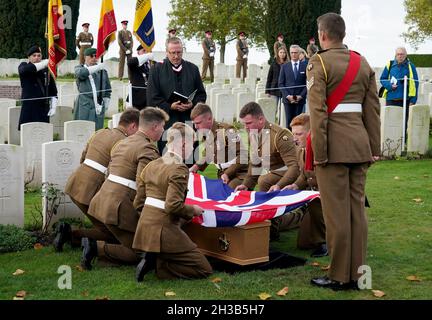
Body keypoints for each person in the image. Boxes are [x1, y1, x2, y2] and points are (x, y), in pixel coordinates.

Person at [307, 13, 380, 290]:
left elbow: (318, 113)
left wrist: (320, 153)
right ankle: (361, 276)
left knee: (336, 216)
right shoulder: (362, 63)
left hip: (333, 150)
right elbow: (372, 110)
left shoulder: (319, 62)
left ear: (323, 35)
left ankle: (339, 276)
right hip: (359, 146)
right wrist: (374, 148)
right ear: (343, 34)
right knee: (357, 213)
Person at [82, 107, 169, 270]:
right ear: (155, 127)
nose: (163, 130)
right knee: (141, 250)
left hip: (102, 199)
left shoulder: (123, 141)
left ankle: (87, 242)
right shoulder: (147, 148)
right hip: (118, 206)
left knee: (123, 239)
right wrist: (143, 211)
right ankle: (95, 248)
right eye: (163, 126)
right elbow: (144, 184)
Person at [133, 122, 213, 281]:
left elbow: (138, 203)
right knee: (204, 268)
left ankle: (158, 258)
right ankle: (159, 266)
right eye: (192, 145)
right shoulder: (179, 168)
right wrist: (194, 210)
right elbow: (172, 205)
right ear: (184, 144)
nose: (192, 149)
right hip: (165, 229)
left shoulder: (151, 165)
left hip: (145, 227)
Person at [54, 109, 141, 252]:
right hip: (91, 190)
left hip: (76, 182)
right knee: (111, 232)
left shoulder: (101, 132)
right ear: (133, 126)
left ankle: (69, 234)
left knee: (104, 227)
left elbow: (83, 157)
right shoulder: (124, 142)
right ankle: (71, 235)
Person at [232, 102, 300, 240]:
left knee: (265, 181)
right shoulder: (254, 133)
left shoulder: (280, 135)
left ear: (261, 119)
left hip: (293, 172)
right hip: (276, 172)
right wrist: (247, 184)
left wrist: (279, 185)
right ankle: (269, 224)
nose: (246, 127)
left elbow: (294, 167)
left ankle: (271, 231)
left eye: (249, 123)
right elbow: (256, 162)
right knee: (256, 185)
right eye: (244, 124)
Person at [147, 36, 206, 152]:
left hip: (189, 120)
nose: (176, 56)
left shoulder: (193, 69)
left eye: (179, 52)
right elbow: (152, 97)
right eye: (172, 53)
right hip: (167, 121)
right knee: (169, 158)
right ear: (166, 52)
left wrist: (192, 104)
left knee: (190, 157)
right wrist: (169, 106)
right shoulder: (156, 70)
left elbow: (201, 94)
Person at [281, 114, 327, 257]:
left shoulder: (322, 150)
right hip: (314, 195)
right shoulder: (301, 149)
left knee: (315, 202)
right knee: (304, 243)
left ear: (311, 132)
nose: (294, 138)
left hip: (329, 197)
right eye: (293, 133)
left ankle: (328, 242)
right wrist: (295, 185)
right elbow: (304, 173)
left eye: (299, 134)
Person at [189, 103, 248, 189]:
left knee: (229, 193)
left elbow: (244, 156)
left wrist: (227, 173)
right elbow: (208, 154)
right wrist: (196, 167)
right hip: (222, 173)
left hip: (239, 174)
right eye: (194, 123)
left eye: (198, 123)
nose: (196, 127)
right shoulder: (206, 133)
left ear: (209, 119)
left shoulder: (227, 131)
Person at [18, 45, 58, 130]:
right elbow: (26, 70)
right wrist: (45, 63)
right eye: (34, 55)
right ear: (29, 57)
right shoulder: (24, 65)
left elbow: (53, 90)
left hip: (42, 107)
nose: (37, 58)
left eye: (39, 55)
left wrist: (54, 106)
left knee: (43, 133)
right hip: (29, 107)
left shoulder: (46, 71)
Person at [379, 47, 418, 132]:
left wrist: (413, 100)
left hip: (405, 100)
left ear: (406, 55)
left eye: (402, 54)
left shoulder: (411, 66)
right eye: (398, 54)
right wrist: (389, 85)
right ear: (395, 55)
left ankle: (402, 143)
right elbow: (382, 79)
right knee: (391, 122)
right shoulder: (390, 64)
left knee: (403, 123)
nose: (400, 56)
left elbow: (415, 83)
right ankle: (390, 142)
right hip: (391, 98)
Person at [74, 48, 111, 130]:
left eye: (96, 56)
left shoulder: (102, 72)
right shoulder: (79, 68)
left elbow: (108, 88)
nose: (94, 58)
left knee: (97, 130)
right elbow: (81, 74)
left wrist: (106, 102)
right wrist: (98, 67)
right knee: (82, 130)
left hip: (98, 105)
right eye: (91, 56)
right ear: (85, 57)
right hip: (84, 104)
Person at [278, 44, 307, 129]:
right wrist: (288, 96)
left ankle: (299, 141)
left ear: (299, 53)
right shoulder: (284, 67)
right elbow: (281, 84)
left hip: (300, 99)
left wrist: (301, 96)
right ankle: (290, 141)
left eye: (295, 52)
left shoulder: (305, 66)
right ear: (289, 53)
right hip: (288, 100)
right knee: (289, 122)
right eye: (292, 53)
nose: (294, 54)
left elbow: (307, 83)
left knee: (299, 123)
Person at [126, 45, 154, 110]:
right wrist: (146, 56)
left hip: (150, 100)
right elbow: (130, 62)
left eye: (148, 51)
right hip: (137, 100)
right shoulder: (135, 63)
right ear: (138, 52)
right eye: (144, 51)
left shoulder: (153, 64)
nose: (146, 52)